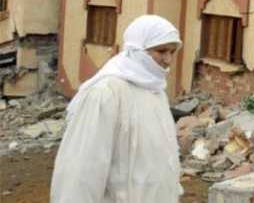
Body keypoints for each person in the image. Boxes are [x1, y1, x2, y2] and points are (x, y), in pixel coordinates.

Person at [51, 15, 183, 203]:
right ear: (138, 49)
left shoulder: (156, 91)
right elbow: (81, 170)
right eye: (161, 51)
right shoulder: (105, 93)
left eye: (172, 52)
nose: (168, 60)